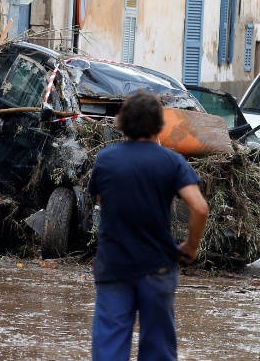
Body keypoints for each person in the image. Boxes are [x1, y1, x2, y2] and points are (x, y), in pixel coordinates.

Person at [87, 89, 209, 360]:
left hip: (114, 264)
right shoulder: (171, 161)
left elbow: (103, 202)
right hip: (157, 266)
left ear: (122, 122)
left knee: (109, 347)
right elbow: (200, 207)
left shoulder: (106, 159)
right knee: (158, 348)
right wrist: (190, 246)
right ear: (159, 124)